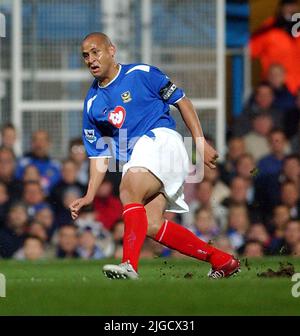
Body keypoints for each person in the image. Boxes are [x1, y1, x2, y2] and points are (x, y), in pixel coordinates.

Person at [70, 32, 240, 280]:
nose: (91, 60)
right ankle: (222, 260)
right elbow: (98, 155)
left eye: (96, 52)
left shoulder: (141, 73)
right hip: (146, 157)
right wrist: (89, 194)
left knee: (128, 190)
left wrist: (200, 144)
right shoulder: (92, 103)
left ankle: (129, 265)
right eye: (86, 55)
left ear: (111, 50)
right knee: (150, 224)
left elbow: (182, 102)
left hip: (162, 141)